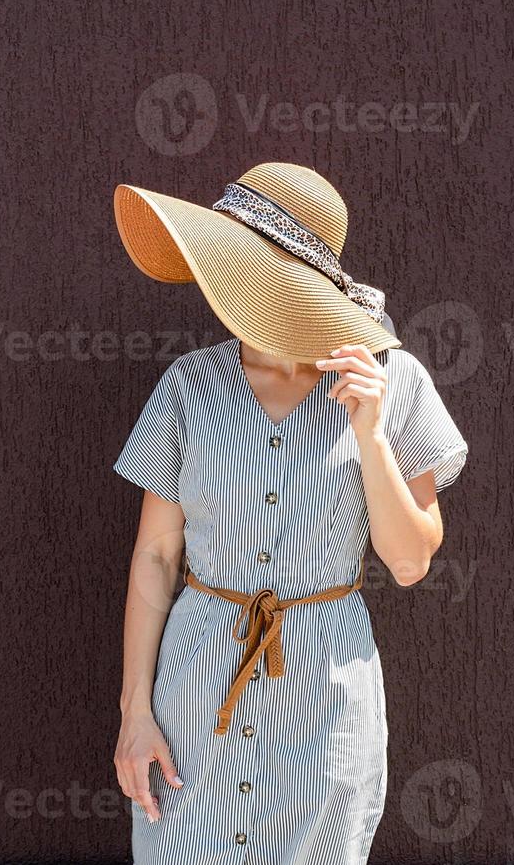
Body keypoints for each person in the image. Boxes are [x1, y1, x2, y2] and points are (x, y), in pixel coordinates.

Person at [110, 162, 469, 864]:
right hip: (194, 699)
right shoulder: (189, 387)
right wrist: (135, 712)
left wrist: (369, 432)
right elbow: (155, 557)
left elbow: (406, 561)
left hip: (326, 698)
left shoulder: (392, 383)